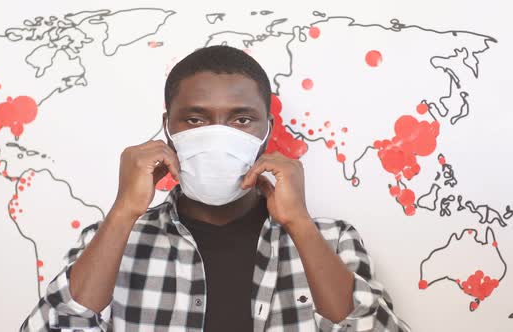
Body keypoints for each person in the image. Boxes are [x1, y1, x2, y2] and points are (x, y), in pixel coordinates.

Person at [21, 45, 410, 332]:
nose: (218, 136)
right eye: (195, 119)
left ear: (267, 132)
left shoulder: (333, 239)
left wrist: (301, 226)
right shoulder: (110, 241)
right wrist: (123, 211)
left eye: (241, 120)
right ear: (167, 128)